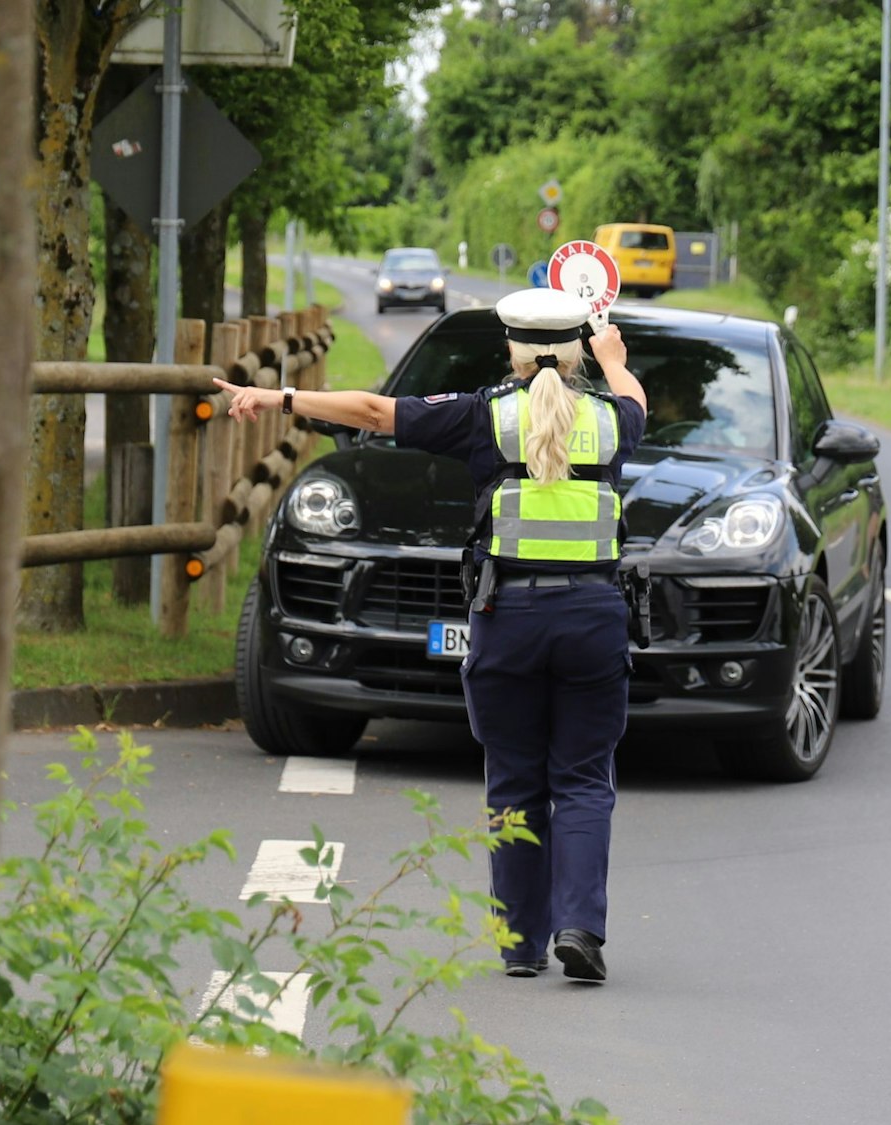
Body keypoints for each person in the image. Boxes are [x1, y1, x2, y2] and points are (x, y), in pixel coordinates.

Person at [214, 288, 647, 982]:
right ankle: (579, 928)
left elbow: (373, 412)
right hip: (593, 619)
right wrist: (614, 358)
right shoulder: (611, 419)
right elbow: (634, 400)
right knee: (584, 779)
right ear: (578, 354)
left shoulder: (483, 415)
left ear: (510, 350)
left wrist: (280, 398)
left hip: (509, 617)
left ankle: (520, 945)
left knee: (514, 780)